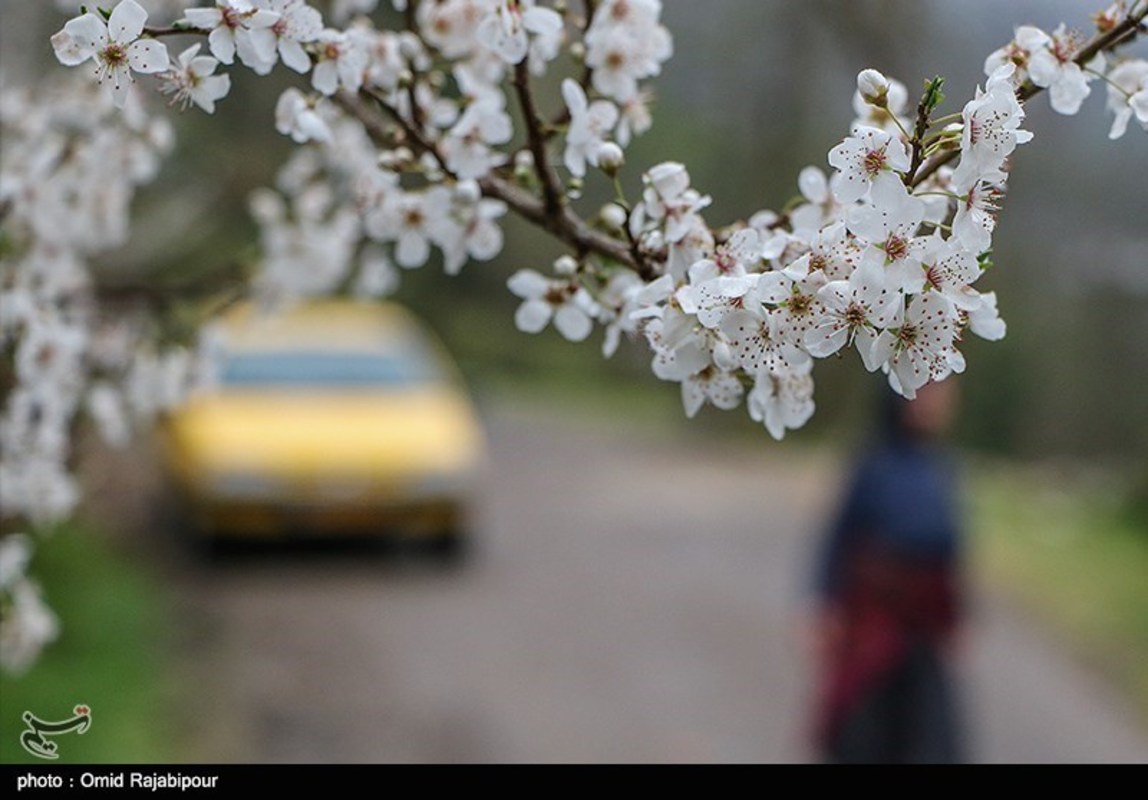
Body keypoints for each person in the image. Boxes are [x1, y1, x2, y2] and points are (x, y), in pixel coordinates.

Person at [809, 380, 966, 763]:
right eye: (927, 393)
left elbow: (951, 549)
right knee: (865, 732)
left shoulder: (942, 467)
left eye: (942, 394)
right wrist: (823, 602)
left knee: (929, 736)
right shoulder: (872, 462)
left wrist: (957, 615)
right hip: (875, 620)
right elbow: (839, 535)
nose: (936, 404)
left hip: (926, 624)